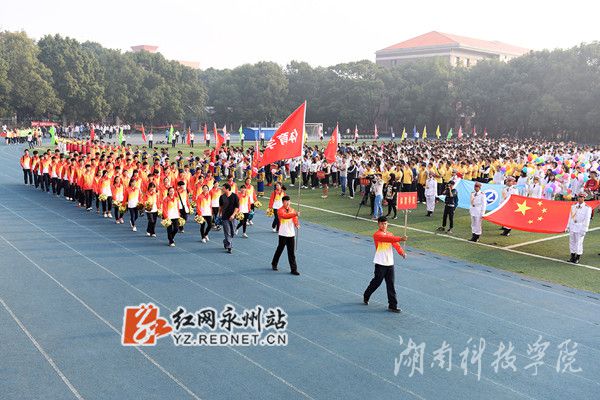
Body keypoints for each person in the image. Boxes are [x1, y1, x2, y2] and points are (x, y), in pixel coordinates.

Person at [363, 216, 406, 313]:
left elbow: (395, 244)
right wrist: (400, 238)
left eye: (385, 223)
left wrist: (402, 252)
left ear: (387, 224)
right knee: (377, 282)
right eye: (382, 224)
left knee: (391, 285)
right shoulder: (377, 235)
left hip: (390, 263)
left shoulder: (390, 234)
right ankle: (366, 295)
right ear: (378, 224)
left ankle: (393, 306)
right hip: (380, 263)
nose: (384, 225)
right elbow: (388, 239)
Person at [271, 195, 300, 275]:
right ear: (283, 202)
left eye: (289, 201)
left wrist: (296, 224)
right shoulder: (280, 210)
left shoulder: (292, 210)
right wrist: (295, 214)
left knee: (291, 253)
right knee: (280, 249)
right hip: (283, 233)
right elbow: (285, 216)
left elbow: (294, 219)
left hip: (291, 234)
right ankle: (274, 263)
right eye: (286, 201)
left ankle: (293, 269)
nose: (288, 203)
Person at [567, 193, 592, 264]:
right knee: (572, 241)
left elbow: (587, 219)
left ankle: (577, 257)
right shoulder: (573, 206)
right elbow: (570, 217)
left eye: (581, 197)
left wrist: (585, 229)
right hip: (573, 226)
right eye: (579, 197)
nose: (580, 198)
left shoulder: (587, 208)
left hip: (580, 227)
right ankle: (572, 256)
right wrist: (568, 226)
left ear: (584, 198)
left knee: (579, 242)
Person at [218, 182, 239, 253]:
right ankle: (229, 247)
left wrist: (233, 215)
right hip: (225, 217)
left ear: (227, 189)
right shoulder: (221, 197)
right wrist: (219, 214)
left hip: (233, 217)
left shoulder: (235, 196)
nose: (222, 189)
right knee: (227, 232)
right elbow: (220, 207)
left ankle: (225, 241)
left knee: (233, 232)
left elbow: (237, 207)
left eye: (223, 188)